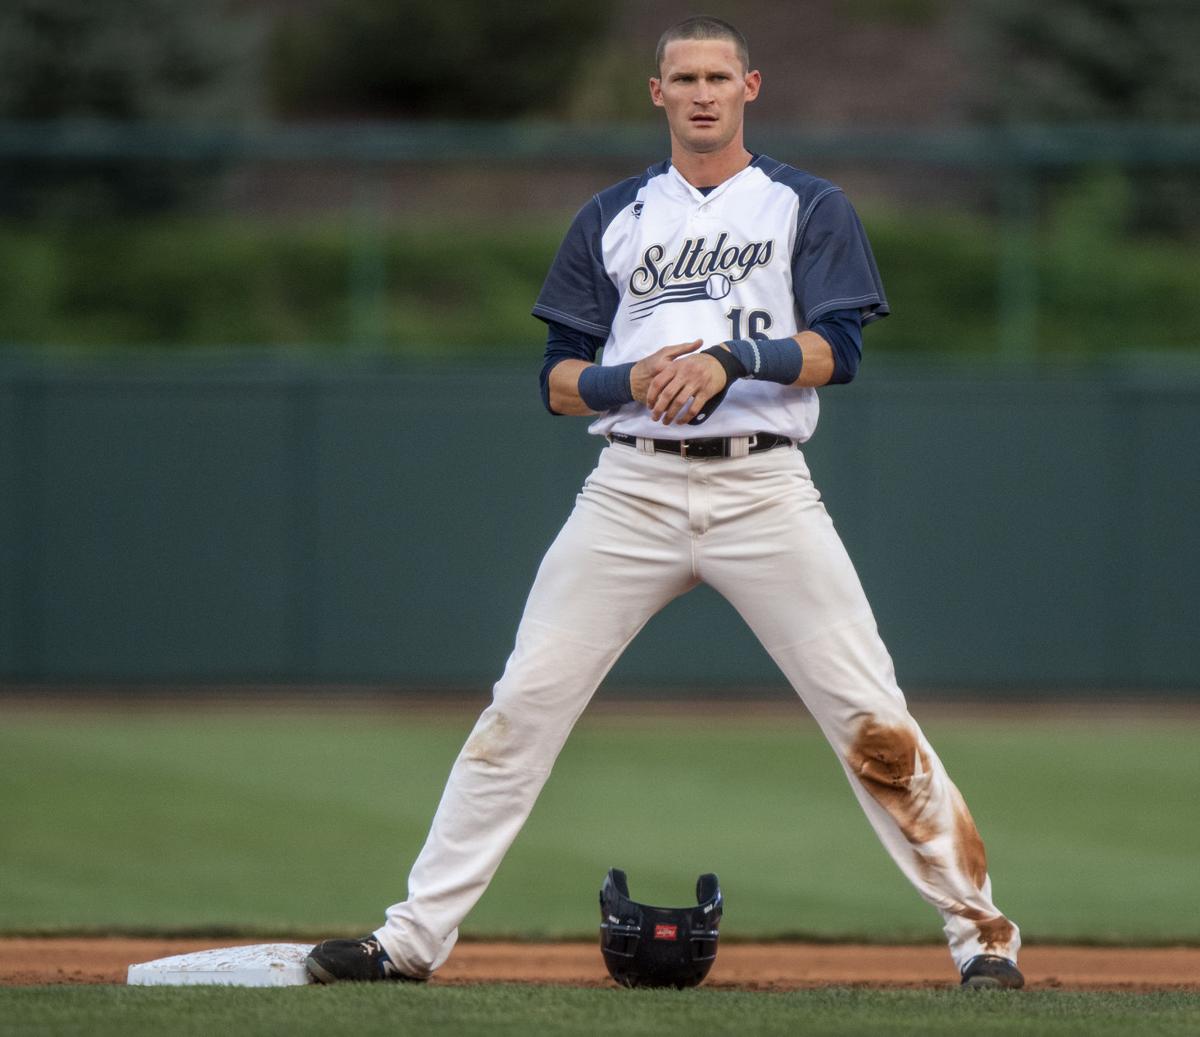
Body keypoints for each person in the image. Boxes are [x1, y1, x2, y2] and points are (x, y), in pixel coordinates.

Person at [306, 16, 1024, 990]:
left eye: (717, 77)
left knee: (872, 718)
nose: (700, 93)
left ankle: (984, 938)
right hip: (630, 489)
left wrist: (732, 358)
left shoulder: (806, 206)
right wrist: (630, 379)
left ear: (749, 87)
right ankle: (409, 941)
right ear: (657, 94)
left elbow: (838, 351)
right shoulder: (611, 215)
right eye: (682, 77)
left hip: (763, 485)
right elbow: (559, 380)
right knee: (517, 711)